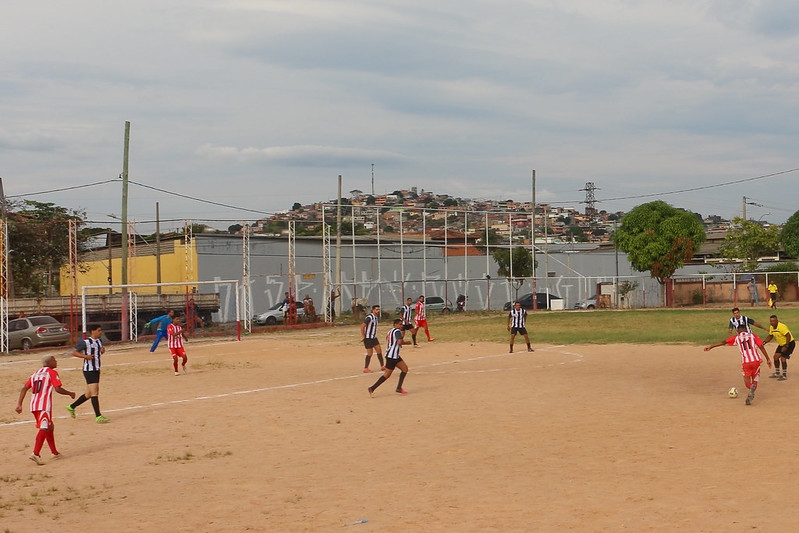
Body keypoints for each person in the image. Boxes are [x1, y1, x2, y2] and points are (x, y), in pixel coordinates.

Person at [15, 354, 76, 465]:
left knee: (49, 426)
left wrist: (19, 404)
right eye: (54, 360)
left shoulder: (35, 373)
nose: (56, 361)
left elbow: (24, 388)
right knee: (44, 427)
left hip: (34, 405)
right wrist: (70, 393)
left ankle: (54, 452)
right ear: (49, 362)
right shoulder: (52, 373)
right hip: (44, 406)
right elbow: (57, 388)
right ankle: (35, 453)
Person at [705, 324, 772, 405]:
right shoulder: (753, 335)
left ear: (738, 330)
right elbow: (761, 346)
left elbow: (723, 342)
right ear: (746, 329)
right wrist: (768, 359)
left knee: (747, 382)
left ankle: (750, 387)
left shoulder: (737, 337)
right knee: (755, 380)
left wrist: (711, 347)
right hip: (756, 361)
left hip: (746, 363)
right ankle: (752, 390)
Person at [66, 324, 110, 423]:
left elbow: (99, 352)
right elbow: (74, 352)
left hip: (96, 369)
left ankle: (71, 406)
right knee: (95, 393)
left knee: (89, 394)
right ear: (93, 331)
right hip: (89, 370)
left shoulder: (99, 341)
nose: (100, 332)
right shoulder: (85, 342)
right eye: (99, 330)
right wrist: (85, 357)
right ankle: (98, 416)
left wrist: (102, 351)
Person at [368, 318, 409, 396]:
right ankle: (372, 388)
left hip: (392, 355)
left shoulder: (390, 332)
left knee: (405, 369)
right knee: (387, 375)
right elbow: (399, 341)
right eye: (400, 324)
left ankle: (399, 388)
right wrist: (406, 342)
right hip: (392, 357)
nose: (401, 326)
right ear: (395, 324)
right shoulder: (397, 331)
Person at [763, 314, 795, 380]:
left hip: (789, 343)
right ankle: (777, 373)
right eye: (771, 321)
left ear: (777, 321)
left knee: (783, 358)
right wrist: (764, 342)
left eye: (773, 321)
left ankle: (784, 375)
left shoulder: (782, 327)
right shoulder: (772, 327)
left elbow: (788, 336)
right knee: (776, 356)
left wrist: (786, 346)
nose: (772, 322)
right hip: (781, 344)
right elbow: (770, 336)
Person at [361, 304, 385, 373]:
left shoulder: (376, 318)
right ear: (373, 310)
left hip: (374, 337)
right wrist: (363, 336)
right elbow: (362, 326)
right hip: (368, 338)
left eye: (379, 309)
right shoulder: (369, 317)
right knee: (369, 353)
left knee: (379, 350)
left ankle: (382, 366)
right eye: (376, 310)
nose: (378, 311)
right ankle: (366, 368)